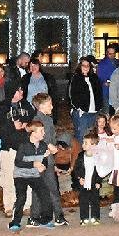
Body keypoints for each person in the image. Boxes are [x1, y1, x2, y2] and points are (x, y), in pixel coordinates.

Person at [0, 85, 34, 217]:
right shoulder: (1, 107)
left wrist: (27, 126)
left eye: (22, 90)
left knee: (26, 175)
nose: (22, 92)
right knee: (8, 177)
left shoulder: (26, 105)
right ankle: (9, 206)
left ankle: (26, 205)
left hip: (24, 147)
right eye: (19, 90)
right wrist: (12, 125)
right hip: (8, 148)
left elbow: (34, 121)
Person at [8, 121, 53, 232]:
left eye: (44, 130)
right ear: (33, 133)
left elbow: (44, 160)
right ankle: (15, 222)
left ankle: (45, 220)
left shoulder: (43, 145)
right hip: (20, 175)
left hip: (34, 175)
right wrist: (33, 164)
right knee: (21, 197)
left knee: (45, 194)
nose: (44, 133)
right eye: (41, 131)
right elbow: (18, 162)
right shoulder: (23, 145)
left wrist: (43, 166)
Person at [29, 93, 66, 226]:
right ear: (42, 106)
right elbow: (37, 137)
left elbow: (51, 138)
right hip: (40, 160)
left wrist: (55, 146)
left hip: (48, 160)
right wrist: (49, 146)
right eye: (49, 104)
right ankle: (36, 216)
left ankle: (55, 216)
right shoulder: (36, 120)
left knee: (51, 188)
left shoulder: (49, 120)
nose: (52, 106)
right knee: (42, 189)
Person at [68, 56, 103, 143]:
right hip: (82, 113)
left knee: (92, 136)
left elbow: (99, 93)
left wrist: (100, 106)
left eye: (88, 65)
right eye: (84, 65)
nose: (86, 67)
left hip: (94, 112)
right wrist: (78, 108)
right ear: (80, 66)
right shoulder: (76, 78)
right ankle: (80, 155)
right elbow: (72, 95)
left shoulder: (94, 77)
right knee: (81, 136)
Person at [72, 132, 103, 225]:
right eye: (83, 142)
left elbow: (100, 170)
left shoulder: (98, 156)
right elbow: (76, 168)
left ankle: (95, 217)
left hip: (94, 183)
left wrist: (98, 181)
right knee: (83, 201)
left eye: (86, 143)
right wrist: (79, 178)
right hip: (84, 183)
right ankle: (84, 218)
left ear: (93, 145)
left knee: (95, 201)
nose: (83, 145)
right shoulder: (81, 156)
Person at [96, 44, 119, 111]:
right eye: (110, 54)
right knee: (107, 111)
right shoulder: (102, 63)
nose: (112, 55)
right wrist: (105, 82)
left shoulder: (118, 62)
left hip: (116, 92)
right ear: (107, 53)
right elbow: (99, 78)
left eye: (113, 53)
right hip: (106, 91)